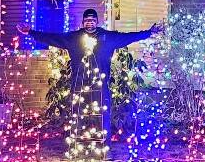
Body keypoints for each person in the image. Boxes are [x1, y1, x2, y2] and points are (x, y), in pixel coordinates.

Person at [18, 9, 163, 132]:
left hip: (100, 81)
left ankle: (103, 143)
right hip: (79, 81)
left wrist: (148, 33)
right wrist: (31, 32)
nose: (90, 22)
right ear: (83, 22)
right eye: (87, 20)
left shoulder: (107, 37)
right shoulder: (73, 38)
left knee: (102, 112)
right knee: (78, 111)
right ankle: (77, 141)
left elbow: (127, 37)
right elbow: (53, 38)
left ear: (97, 22)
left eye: (92, 20)